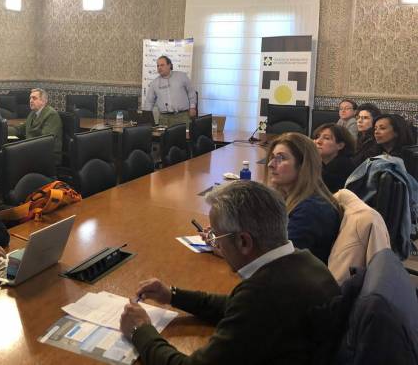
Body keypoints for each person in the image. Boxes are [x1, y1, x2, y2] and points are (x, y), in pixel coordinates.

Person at [119, 181, 340, 365]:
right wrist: (172, 295)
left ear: (243, 241)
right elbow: (234, 306)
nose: (215, 244)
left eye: (216, 236)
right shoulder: (305, 260)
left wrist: (140, 330)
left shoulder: (264, 296)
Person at [267, 132, 342, 264]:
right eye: (272, 157)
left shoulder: (312, 210)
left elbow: (279, 260)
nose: (270, 164)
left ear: (303, 165)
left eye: (281, 158)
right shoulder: (295, 199)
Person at [143, 55, 197, 127]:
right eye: (158, 66)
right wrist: (146, 118)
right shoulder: (154, 83)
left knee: (184, 134)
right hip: (164, 118)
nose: (159, 67)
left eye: (162, 65)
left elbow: (191, 92)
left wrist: (192, 107)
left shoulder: (181, 76)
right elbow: (149, 102)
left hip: (182, 116)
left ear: (169, 65)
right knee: (164, 135)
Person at [12, 88, 62, 163]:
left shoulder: (51, 114)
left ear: (44, 101)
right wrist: (3, 129)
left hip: (47, 156)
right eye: (30, 98)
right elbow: (20, 129)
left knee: (13, 157)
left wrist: (22, 147)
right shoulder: (33, 113)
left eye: (34, 98)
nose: (31, 101)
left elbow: (45, 140)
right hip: (32, 150)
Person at [312, 123, 356, 193]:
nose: (318, 141)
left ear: (340, 146)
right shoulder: (321, 164)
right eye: (317, 137)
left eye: (326, 138)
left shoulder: (343, 166)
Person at [352, 102, 382, 166]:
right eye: (358, 117)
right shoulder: (361, 136)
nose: (359, 121)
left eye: (365, 118)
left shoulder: (375, 140)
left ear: (375, 121)